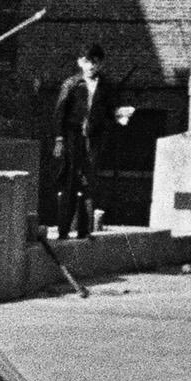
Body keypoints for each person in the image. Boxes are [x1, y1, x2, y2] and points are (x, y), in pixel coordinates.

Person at [51, 41, 110, 238]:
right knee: (69, 183)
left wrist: (119, 115)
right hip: (72, 137)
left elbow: (108, 112)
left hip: (92, 139)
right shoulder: (72, 84)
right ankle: (63, 230)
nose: (91, 66)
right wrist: (59, 139)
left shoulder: (105, 86)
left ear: (100, 63)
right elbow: (60, 113)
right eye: (87, 61)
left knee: (88, 183)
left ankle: (84, 231)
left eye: (95, 61)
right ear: (79, 62)